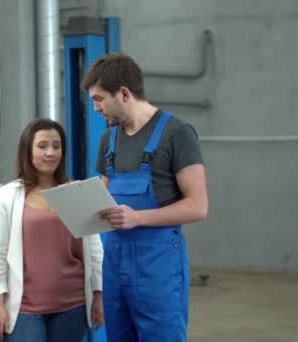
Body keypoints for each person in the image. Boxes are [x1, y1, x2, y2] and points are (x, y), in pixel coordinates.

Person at [81, 53, 209, 342]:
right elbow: (102, 198)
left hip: (158, 268)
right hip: (115, 264)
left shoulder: (177, 134)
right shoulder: (108, 140)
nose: (96, 107)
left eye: (99, 99)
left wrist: (138, 218)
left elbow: (198, 206)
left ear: (124, 93)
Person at [0, 118, 105, 342]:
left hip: (73, 306)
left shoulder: (77, 192)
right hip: (25, 310)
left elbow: (94, 251)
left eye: (56, 146)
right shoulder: (6, 197)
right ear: (27, 150)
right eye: (42, 146)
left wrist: (99, 295)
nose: (50, 152)